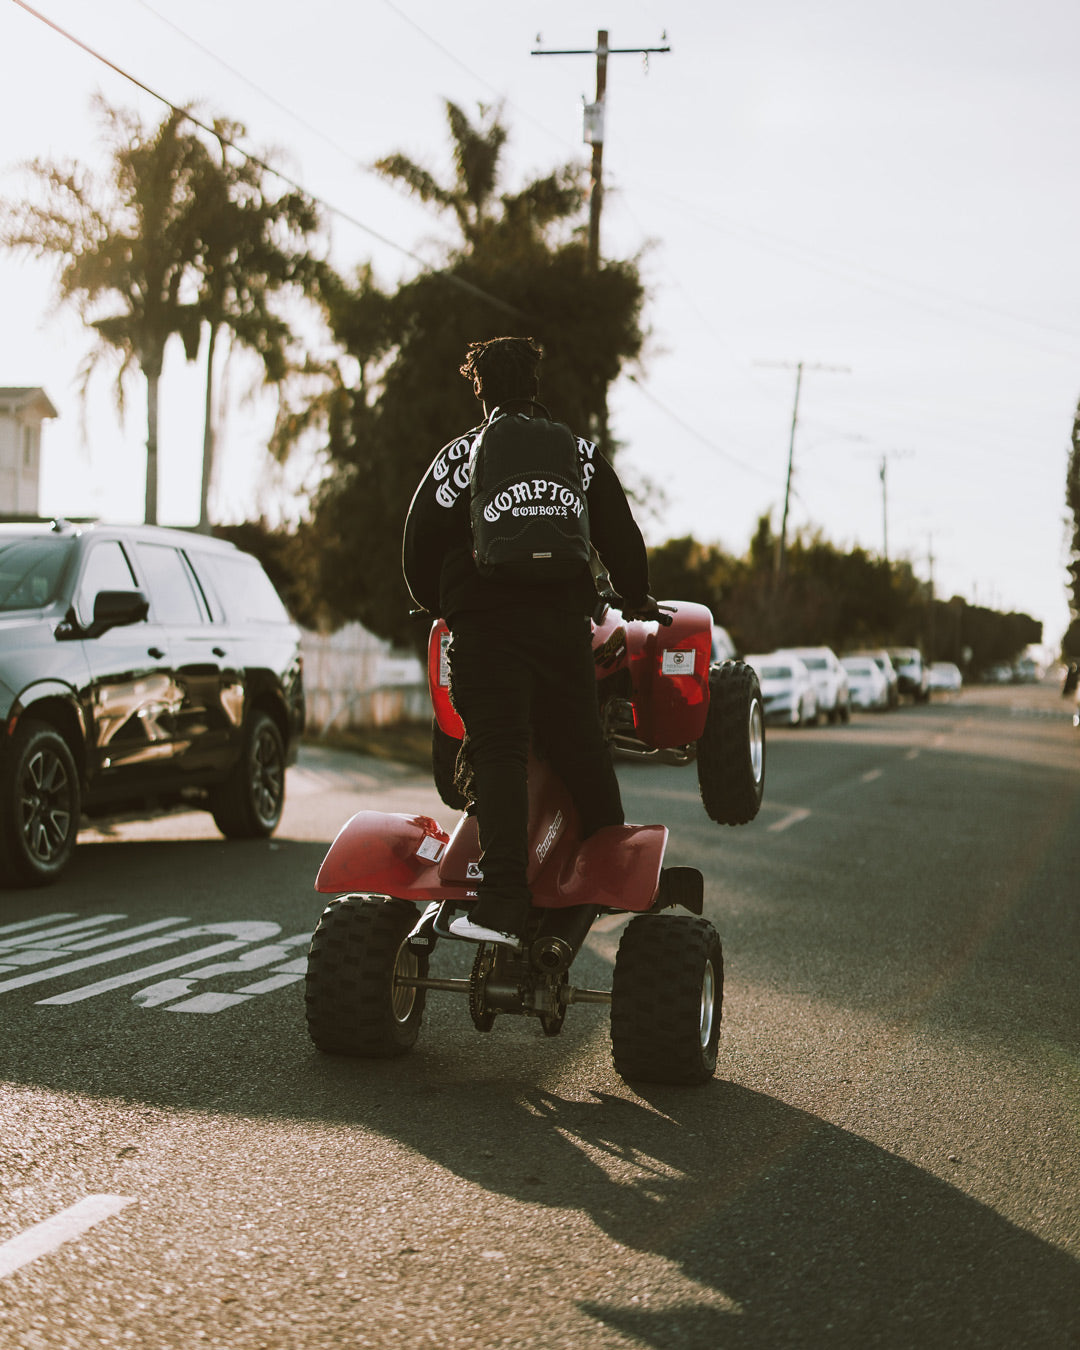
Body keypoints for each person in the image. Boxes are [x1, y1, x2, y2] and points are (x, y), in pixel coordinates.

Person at [402, 335, 658, 950]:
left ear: (482, 389)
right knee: (578, 742)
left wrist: (438, 602)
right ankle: (609, 868)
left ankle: (502, 906)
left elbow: (417, 541)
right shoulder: (576, 451)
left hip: (486, 626)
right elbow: (619, 528)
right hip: (561, 622)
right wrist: (637, 594)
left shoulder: (461, 455)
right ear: (535, 387)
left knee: (500, 751)